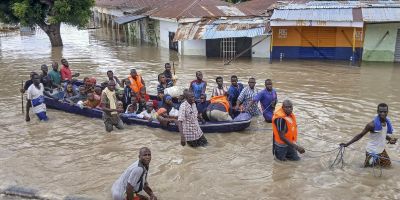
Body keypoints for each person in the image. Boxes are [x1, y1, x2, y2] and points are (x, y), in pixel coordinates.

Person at [340, 103, 397, 167]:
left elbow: (382, 134)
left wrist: (390, 139)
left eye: (385, 112)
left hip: (382, 150)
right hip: (372, 152)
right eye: (381, 112)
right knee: (367, 170)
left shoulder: (386, 122)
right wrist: (347, 144)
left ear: (387, 112)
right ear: (377, 112)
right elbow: (360, 135)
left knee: (388, 167)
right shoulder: (371, 125)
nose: (383, 113)